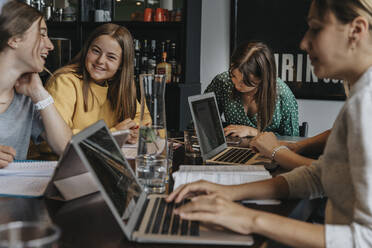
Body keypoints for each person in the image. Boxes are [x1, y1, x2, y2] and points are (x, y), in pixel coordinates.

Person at [167, 0, 372, 246]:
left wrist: (250, 219)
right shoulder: (359, 97)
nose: (304, 42)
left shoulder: (366, 106)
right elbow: (321, 177)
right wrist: (230, 192)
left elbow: (364, 239)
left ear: (357, 30)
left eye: (316, 28)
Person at [45, 23, 151, 143]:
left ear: (121, 65)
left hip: (95, 157)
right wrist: (114, 134)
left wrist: (133, 130)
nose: (100, 60)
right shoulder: (65, 82)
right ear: (86, 50)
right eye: (96, 51)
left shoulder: (119, 86)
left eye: (111, 57)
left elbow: (145, 119)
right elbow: (57, 138)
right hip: (55, 160)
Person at [0, 1, 71, 168]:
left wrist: (40, 94)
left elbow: (66, 148)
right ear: (15, 39)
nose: (50, 45)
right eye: (42, 34)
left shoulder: (27, 99)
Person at [204, 42, 299, 137]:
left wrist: (252, 132)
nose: (236, 85)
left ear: (263, 78)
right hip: (233, 147)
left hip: (270, 151)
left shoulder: (283, 95)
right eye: (233, 76)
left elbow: (292, 141)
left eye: (245, 82)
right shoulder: (223, 82)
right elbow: (202, 120)